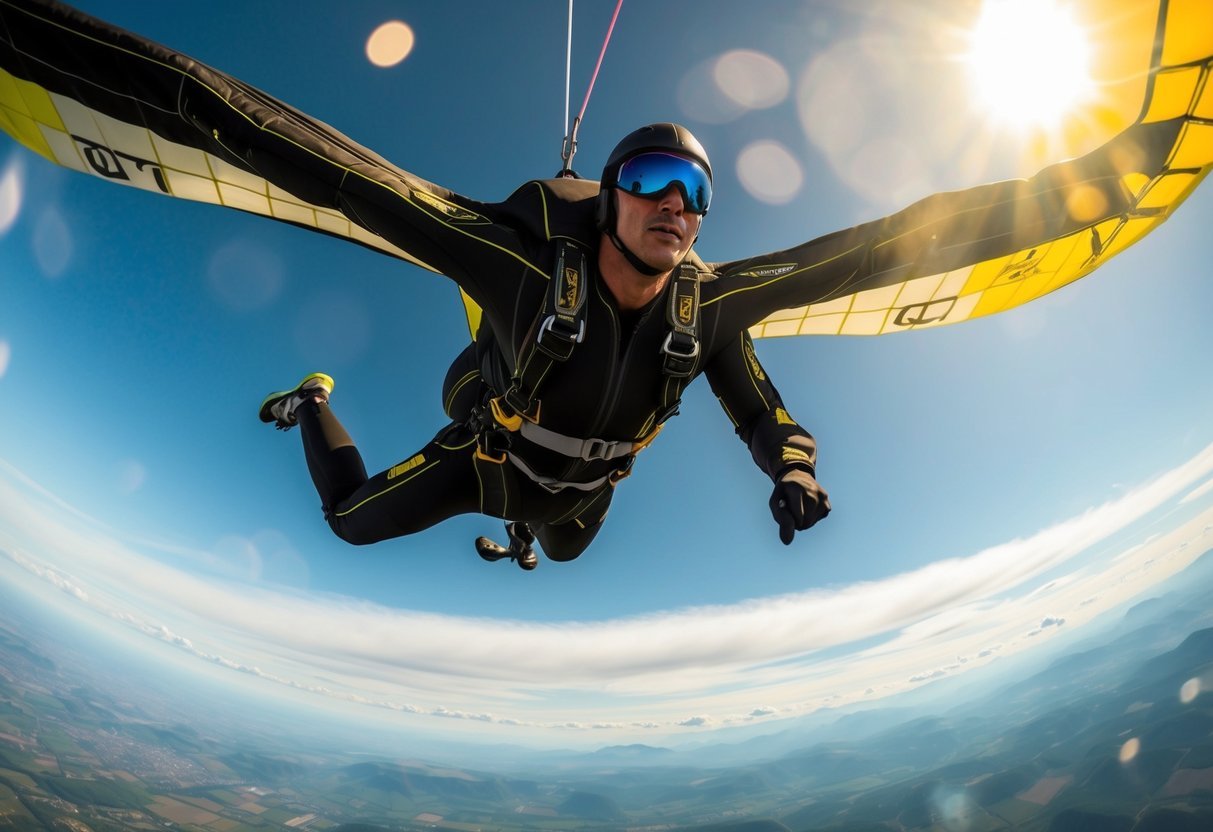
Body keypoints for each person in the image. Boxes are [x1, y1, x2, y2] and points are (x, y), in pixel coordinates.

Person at [260, 124, 831, 566]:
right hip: (487, 455)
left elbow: (761, 412)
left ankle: (522, 528)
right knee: (350, 521)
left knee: (565, 552)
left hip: (579, 497)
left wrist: (792, 469)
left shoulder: (702, 313)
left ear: (702, 217)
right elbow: (370, 193)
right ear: (610, 198)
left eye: (695, 190)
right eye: (649, 178)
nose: (673, 201)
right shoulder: (528, 270)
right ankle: (311, 402)